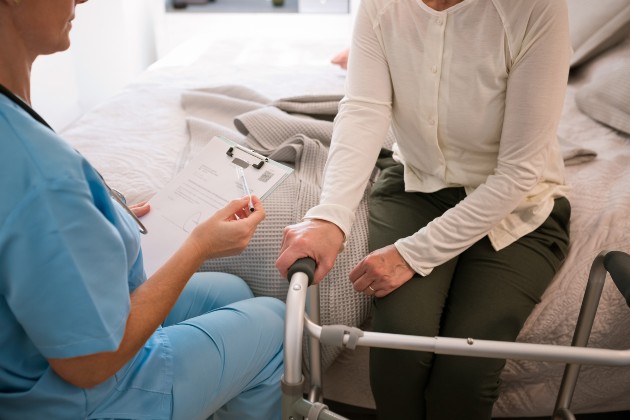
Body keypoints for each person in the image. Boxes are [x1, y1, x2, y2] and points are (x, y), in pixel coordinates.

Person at [277, 0, 572, 418]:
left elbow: (519, 172)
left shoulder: (536, 9)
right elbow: (364, 109)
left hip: (519, 207)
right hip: (417, 186)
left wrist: (412, 254)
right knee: (398, 348)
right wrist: (329, 214)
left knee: (464, 373)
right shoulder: (381, 7)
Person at [0, 1, 284, 419]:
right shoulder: (44, 171)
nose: (82, 0)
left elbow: (34, 231)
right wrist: (197, 247)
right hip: (76, 396)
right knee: (275, 321)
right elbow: (90, 364)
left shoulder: (18, 126)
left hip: (29, 347)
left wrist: (99, 220)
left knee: (231, 292)